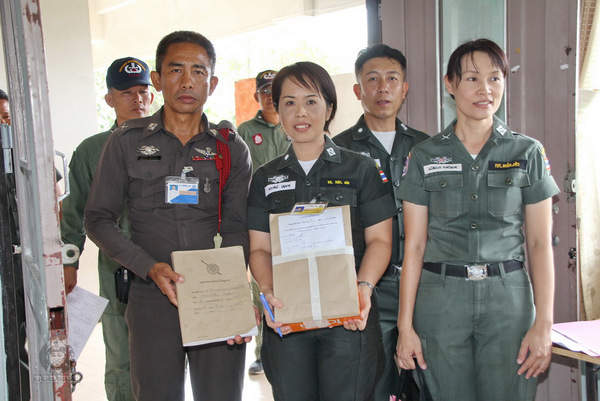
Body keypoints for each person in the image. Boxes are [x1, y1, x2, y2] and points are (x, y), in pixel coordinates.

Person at [84, 31, 253, 401]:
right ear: (158, 80)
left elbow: (238, 226)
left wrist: (233, 295)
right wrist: (148, 267)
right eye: (176, 70)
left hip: (215, 295)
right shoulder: (126, 141)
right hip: (151, 298)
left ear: (212, 83)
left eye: (198, 71)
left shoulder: (228, 148)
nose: (187, 81)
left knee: (222, 395)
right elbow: (97, 218)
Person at [395, 39, 558, 401]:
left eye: (495, 78)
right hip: (440, 299)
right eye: (472, 78)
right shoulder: (424, 156)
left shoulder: (527, 152)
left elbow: (539, 244)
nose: (485, 89)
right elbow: (415, 246)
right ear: (450, 84)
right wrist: (405, 327)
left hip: (508, 299)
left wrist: (543, 324)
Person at [247, 61, 396, 401]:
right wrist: (268, 292)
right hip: (288, 319)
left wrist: (363, 288)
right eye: (289, 102)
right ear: (277, 110)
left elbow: (380, 240)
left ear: (329, 108)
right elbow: (259, 248)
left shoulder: (360, 168)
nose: (300, 112)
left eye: (311, 101)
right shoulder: (265, 178)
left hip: (348, 317)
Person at [333, 44, 428, 400]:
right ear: (358, 90)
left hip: (425, 285)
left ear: (405, 88)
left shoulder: (428, 148)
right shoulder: (338, 152)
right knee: (374, 386)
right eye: (372, 80)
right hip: (368, 288)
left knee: (430, 384)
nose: (383, 88)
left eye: (392, 79)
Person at [60, 56, 154, 401]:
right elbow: (74, 211)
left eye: (143, 91)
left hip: (168, 261)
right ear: (110, 99)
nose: (137, 99)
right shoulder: (91, 150)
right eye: (127, 92)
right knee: (120, 352)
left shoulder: (174, 142)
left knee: (168, 353)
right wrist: (69, 261)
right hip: (118, 266)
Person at [238, 69, 290, 375]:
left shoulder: (293, 124)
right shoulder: (245, 131)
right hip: (260, 221)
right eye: (264, 92)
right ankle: (261, 351)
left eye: (274, 91)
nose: (269, 97)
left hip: (293, 221)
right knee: (261, 284)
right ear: (256, 96)